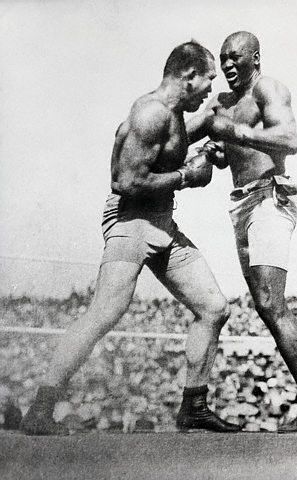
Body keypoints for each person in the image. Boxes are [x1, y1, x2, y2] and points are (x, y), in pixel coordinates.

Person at [20, 41, 241, 435]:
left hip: (161, 223)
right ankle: (41, 408)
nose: (210, 90)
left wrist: (206, 131)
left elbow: (169, 149)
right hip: (131, 222)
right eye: (207, 83)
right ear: (188, 76)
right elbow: (126, 181)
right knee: (104, 312)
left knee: (213, 307)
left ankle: (193, 407)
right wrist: (186, 177)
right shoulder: (150, 112)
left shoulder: (170, 114)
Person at [187, 31, 297, 432]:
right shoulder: (223, 101)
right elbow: (210, 142)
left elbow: (289, 140)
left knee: (268, 301)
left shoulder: (268, 88)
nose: (227, 65)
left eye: (235, 58)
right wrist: (213, 150)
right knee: (269, 303)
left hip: (270, 197)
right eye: (223, 58)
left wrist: (236, 134)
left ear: (255, 58)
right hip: (242, 203)